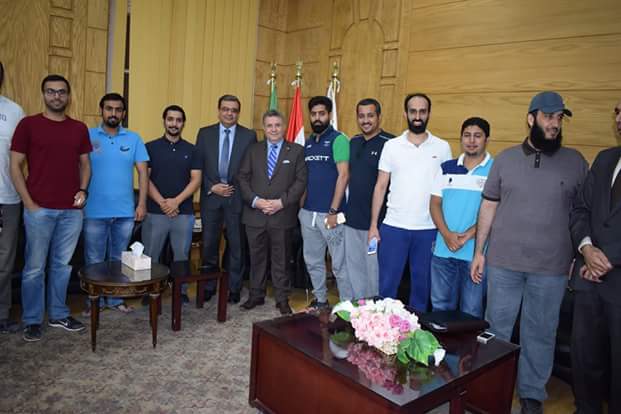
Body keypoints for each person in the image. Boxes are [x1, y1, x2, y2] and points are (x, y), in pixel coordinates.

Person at [470, 91, 588, 414]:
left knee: (541, 333)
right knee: (496, 329)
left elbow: (583, 214)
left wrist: (578, 256)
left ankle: (532, 395)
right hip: (504, 263)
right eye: (548, 117)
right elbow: (488, 206)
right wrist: (479, 251)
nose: (554, 124)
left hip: (551, 268)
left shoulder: (576, 162)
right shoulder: (505, 159)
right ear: (531, 118)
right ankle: (490, 388)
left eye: (559, 118)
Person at [10, 74, 91, 342]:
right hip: (39, 210)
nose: (57, 96)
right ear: (43, 94)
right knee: (34, 268)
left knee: (62, 266)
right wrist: (29, 203)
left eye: (61, 92)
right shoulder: (28, 125)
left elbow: (85, 164)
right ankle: (32, 320)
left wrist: (83, 190)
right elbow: (15, 165)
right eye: (51, 91)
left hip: (71, 212)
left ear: (68, 96)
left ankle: (58, 314)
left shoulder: (78, 128)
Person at [368, 93, 451, 312]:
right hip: (394, 227)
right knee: (387, 287)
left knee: (422, 289)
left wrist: (444, 229)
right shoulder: (392, 146)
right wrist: (374, 225)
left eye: (422, 111)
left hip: (428, 229)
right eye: (413, 111)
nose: (417, 116)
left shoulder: (442, 148)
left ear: (429, 114)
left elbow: (446, 191)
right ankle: (383, 329)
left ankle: (417, 331)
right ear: (405, 114)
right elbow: (380, 186)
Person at [569, 99, 621, 414]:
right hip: (588, 281)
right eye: (618, 111)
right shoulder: (605, 159)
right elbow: (580, 209)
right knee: (584, 358)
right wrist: (587, 249)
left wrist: (607, 258)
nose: (619, 118)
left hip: (617, 280)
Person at [83, 93, 149, 314]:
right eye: (109, 108)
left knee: (119, 259)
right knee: (94, 260)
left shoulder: (134, 138)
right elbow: (78, 168)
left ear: (123, 113)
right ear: (101, 110)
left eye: (118, 109)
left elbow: (143, 173)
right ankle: (94, 303)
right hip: (93, 211)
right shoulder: (87, 135)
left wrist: (142, 204)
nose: (113, 113)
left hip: (124, 212)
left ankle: (115, 300)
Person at [238, 110, 307, 315]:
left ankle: (282, 298)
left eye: (277, 125)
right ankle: (256, 295)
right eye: (269, 125)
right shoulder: (253, 150)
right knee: (256, 258)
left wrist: (281, 202)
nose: (274, 129)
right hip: (255, 215)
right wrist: (256, 201)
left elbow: (301, 181)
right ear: (264, 127)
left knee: (281, 260)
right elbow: (242, 178)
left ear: (284, 127)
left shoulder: (296, 151)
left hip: (282, 215)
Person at [195, 95, 256, 304]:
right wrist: (211, 186)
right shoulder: (205, 134)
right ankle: (208, 286)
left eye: (234, 110)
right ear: (219, 110)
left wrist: (237, 188)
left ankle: (234, 288)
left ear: (238, 113)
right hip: (211, 197)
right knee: (209, 245)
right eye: (225, 109)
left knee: (236, 246)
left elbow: (251, 169)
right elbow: (198, 166)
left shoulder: (249, 136)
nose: (229, 113)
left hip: (236, 197)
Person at [429, 117, 493, 318]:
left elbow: (496, 210)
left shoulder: (495, 169)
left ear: (486, 139)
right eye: (467, 135)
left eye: (477, 136)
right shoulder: (446, 167)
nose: (471, 140)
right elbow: (434, 204)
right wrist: (447, 235)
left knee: (471, 313)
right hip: (443, 250)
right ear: (461, 138)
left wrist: (468, 235)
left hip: (475, 255)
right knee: (440, 309)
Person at [143, 105, 201, 304]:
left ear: (183, 123)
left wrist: (176, 201)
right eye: (170, 119)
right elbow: (145, 178)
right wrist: (163, 202)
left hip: (183, 212)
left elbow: (196, 180)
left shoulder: (192, 150)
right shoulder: (150, 147)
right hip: (155, 211)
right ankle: (150, 291)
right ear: (164, 121)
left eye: (178, 120)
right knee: (151, 254)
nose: (174, 123)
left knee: (181, 255)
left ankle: (180, 291)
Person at [299, 96, 350, 309]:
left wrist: (333, 210)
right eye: (314, 114)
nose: (317, 118)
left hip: (331, 215)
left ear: (329, 115)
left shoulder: (339, 140)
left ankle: (347, 305)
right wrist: (300, 208)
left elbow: (343, 175)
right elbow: (304, 178)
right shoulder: (308, 142)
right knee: (312, 261)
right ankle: (321, 300)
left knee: (339, 264)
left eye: (322, 113)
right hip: (308, 214)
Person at [344, 98, 394, 300]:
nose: (365, 120)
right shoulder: (353, 142)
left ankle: (374, 312)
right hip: (351, 220)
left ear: (379, 117)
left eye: (370, 116)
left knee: (374, 273)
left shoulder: (391, 144)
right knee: (354, 270)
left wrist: (377, 224)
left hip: (377, 224)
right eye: (361, 116)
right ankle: (359, 310)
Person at [0, 61, 25, 333]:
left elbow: (21, 158)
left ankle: (2, 314)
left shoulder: (14, 111)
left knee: (5, 262)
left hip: (7, 199)